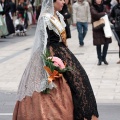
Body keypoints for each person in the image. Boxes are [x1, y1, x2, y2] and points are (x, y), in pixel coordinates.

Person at [12, 0, 99, 120]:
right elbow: (42, 43)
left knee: (80, 79)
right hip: (51, 54)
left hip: (62, 52)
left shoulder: (59, 16)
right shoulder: (45, 19)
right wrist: (47, 63)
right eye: (61, 0)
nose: (64, 2)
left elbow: (64, 37)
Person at [90, 0, 112, 65]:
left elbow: (108, 13)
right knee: (98, 44)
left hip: (105, 28)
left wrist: (104, 13)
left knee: (106, 43)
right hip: (97, 28)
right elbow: (95, 15)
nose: (99, 0)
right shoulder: (92, 7)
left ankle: (104, 58)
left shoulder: (104, 6)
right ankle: (99, 59)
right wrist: (104, 13)